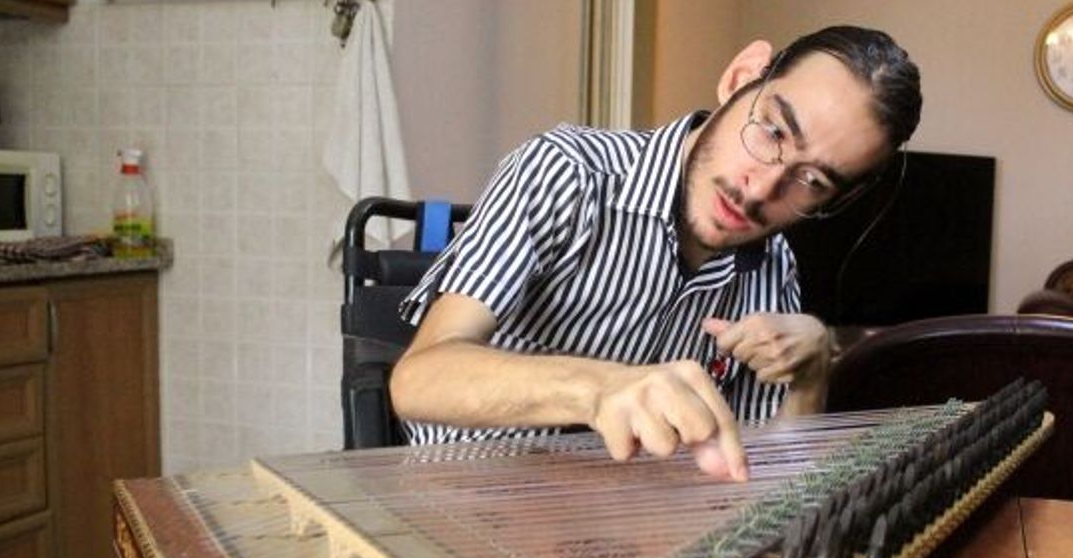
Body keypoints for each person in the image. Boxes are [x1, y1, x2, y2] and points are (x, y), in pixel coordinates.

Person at [390, 25, 922, 481]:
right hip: (459, 509)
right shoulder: (567, 173)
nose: (760, 189)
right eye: (772, 131)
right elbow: (419, 379)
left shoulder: (773, 265)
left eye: (811, 180)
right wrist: (600, 389)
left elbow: (762, 482)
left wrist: (810, 376)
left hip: (620, 533)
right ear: (741, 77)